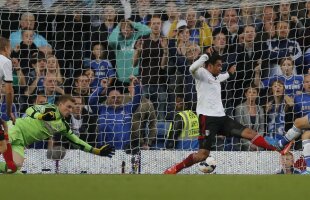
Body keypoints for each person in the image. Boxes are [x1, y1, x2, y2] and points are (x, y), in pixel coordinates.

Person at [164, 52, 280, 174]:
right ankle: (174, 169)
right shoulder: (202, 74)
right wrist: (205, 56)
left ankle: (276, 150)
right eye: (218, 65)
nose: (220, 68)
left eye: (221, 65)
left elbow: (222, 77)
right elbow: (191, 68)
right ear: (209, 66)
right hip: (207, 119)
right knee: (202, 155)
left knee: (251, 133)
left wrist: (229, 73)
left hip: (222, 118)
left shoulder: (216, 77)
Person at [0, 94, 115, 173]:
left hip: (21, 142)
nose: (70, 110)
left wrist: (97, 151)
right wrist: (41, 116)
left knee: (14, 168)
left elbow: (77, 141)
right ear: (60, 105)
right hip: (15, 129)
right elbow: (30, 110)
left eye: (72, 108)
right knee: (2, 146)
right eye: (68, 106)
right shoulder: (50, 108)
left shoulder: (63, 126)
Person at [267, 74, 310, 174]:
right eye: (307, 81)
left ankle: (281, 143)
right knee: (305, 133)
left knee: (299, 124)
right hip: (303, 131)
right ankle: (308, 170)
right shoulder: (299, 97)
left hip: (297, 133)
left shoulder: (290, 101)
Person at [0, 37, 15, 124]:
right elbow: (9, 91)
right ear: (6, 48)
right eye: (10, 49)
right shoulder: (6, 61)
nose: (10, 52)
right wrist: (9, 112)